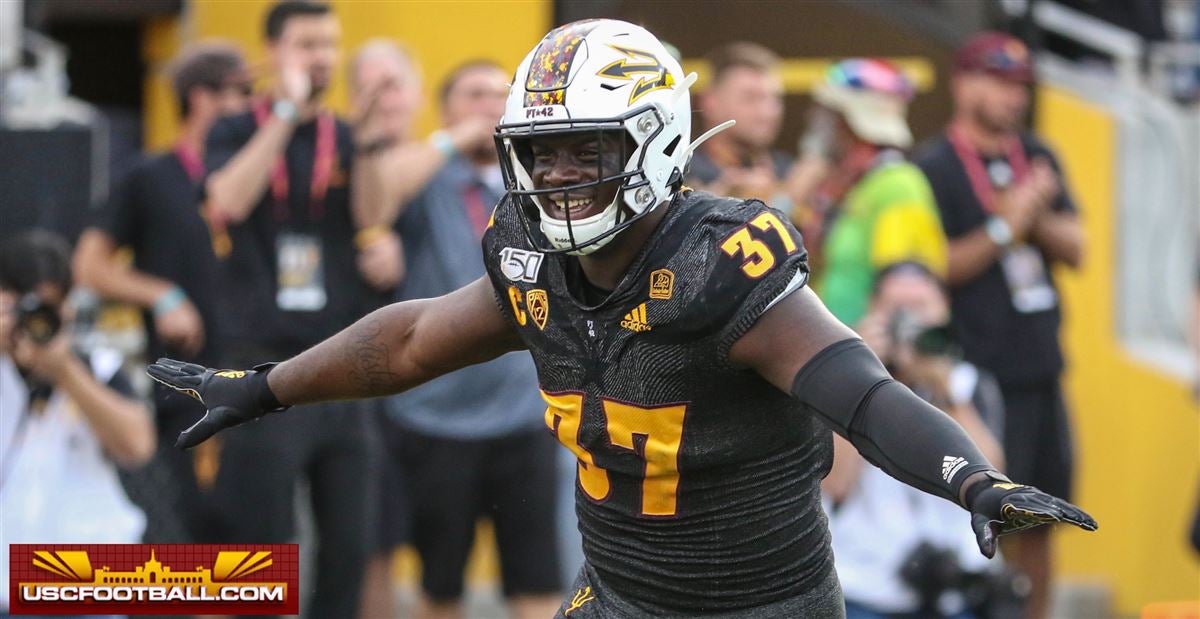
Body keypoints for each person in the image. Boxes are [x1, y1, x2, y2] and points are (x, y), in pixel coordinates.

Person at [151, 20, 1097, 618]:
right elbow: (406, 338)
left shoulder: (719, 262)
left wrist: (969, 478)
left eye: (585, 149)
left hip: (759, 606)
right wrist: (262, 386)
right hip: (616, 595)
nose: (558, 176)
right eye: (543, 152)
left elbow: (860, 390)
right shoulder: (531, 254)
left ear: (658, 142)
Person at [200, 2, 383, 616]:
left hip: (341, 364)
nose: (323, 57)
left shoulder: (344, 135)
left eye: (330, 44)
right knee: (263, 546)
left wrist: (372, 141)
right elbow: (225, 201)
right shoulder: (235, 129)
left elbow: (372, 221)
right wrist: (283, 110)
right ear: (275, 50)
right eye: (307, 44)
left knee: (349, 545)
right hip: (261, 365)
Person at [375, 57, 563, 619]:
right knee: (440, 590)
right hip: (436, 421)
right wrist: (453, 137)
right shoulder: (424, 175)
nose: (487, 107)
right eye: (473, 96)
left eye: (498, 97)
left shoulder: (533, 183)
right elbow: (380, 186)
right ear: (445, 107)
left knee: (537, 585)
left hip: (524, 417)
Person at [914, 32, 1086, 619]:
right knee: (985, 522)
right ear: (962, 82)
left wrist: (1029, 215)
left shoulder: (1037, 154)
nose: (1012, 98)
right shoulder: (932, 166)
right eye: (998, 82)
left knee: (1045, 521)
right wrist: (1003, 226)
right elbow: (935, 267)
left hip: (1042, 370)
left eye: (1020, 86)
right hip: (978, 380)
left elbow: (1079, 247)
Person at [72, 41, 251, 543]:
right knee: (199, 540)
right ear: (202, 97)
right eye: (242, 92)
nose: (252, 106)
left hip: (263, 376)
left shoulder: (252, 177)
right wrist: (162, 295)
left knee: (258, 544)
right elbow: (89, 266)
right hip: (192, 385)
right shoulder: (149, 177)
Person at [827, 262, 1011, 619]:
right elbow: (834, 484)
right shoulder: (843, 388)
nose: (909, 322)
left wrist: (944, 392)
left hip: (957, 589)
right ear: (872, 314)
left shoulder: (969, 386)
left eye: (920, 308)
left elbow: (994, 485)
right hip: (869, 589)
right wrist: (861, 377)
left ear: (945, 312)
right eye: (896, 310)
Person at [0, 230, 155, 612]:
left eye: (46, 309)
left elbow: (138, 446)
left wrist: (65, 373)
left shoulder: (98, 369)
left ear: (66, 307)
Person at [792, 58, 947, 327]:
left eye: (827, 114)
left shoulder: (898, 183)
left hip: (861, 361)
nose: (815, 122)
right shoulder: (849, 185)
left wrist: (859, 352)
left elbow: (907, 295)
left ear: (849, 123)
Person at [687, 41, 794, 212]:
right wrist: (714, 203)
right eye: (750, 98)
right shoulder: (679, 175)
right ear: (710, 101)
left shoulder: (790, 173)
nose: (767, 112)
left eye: (774, 99)